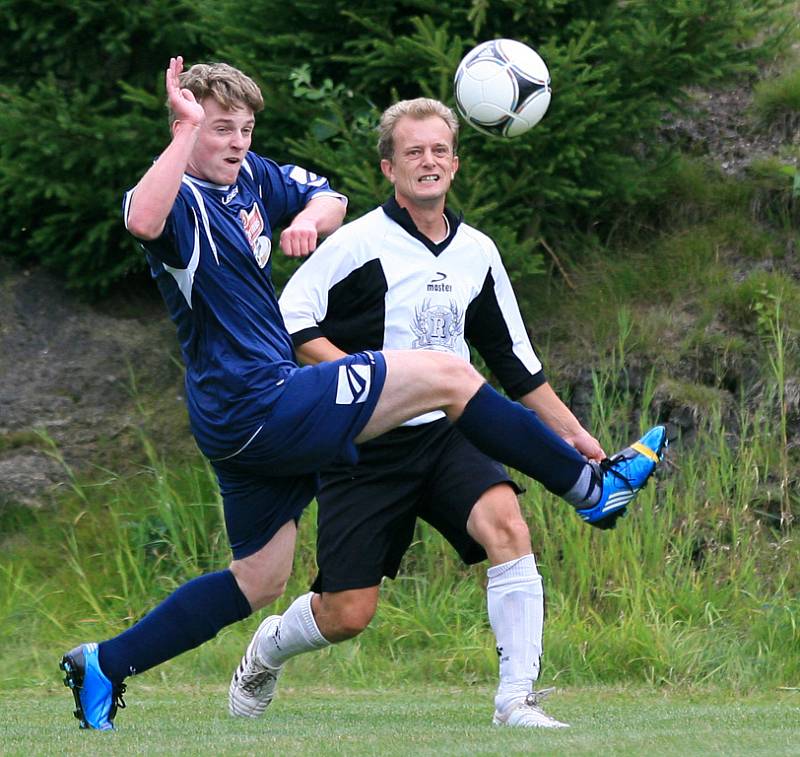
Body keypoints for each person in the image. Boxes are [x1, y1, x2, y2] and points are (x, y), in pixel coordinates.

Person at [60, 58, 666, 732]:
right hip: (253, 400)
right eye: (218, 128)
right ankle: (592, 489)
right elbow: (142, 220)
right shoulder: (181, 198)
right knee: (446, 374)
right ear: (187, 128)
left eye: (245, 129)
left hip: (251, 410)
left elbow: (326, 195)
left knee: (259, 579)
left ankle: (104, 663)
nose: (236, 141)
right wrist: (182, 133)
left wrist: (310, 220)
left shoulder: (248, 178)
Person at [226, 98, 666, 729]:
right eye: (413, 152)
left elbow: (517, 364)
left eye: (438, 151)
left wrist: (575, 434)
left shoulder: (478, 252)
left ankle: (516, 701)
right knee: (348, 613)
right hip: (365, 444)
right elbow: (293, 321)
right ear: (389, 167)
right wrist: (365, 379)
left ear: (455, 165)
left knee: (507, 526)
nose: (427, 162)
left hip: (451, 435)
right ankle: (266, 651)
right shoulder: (356, 243)